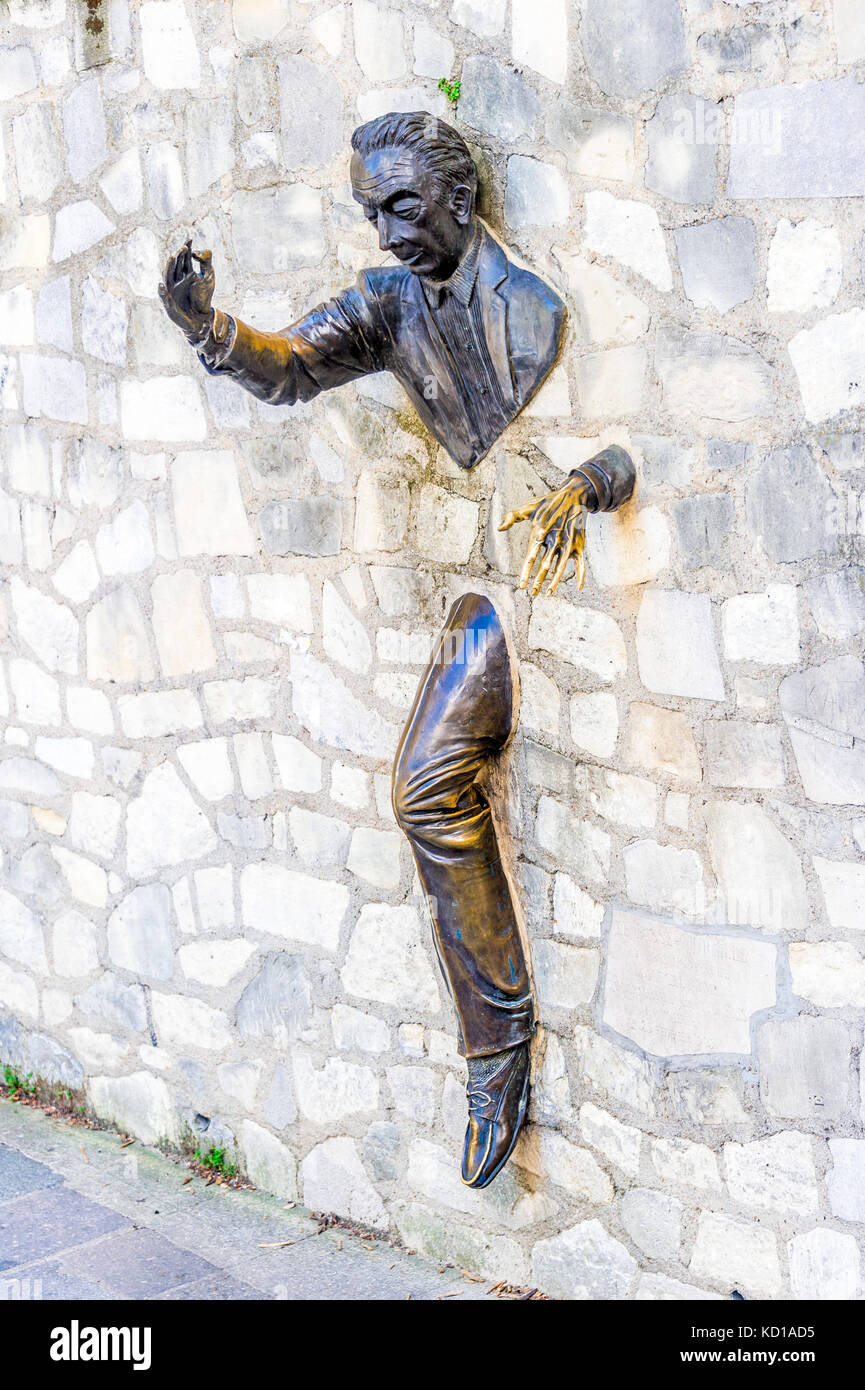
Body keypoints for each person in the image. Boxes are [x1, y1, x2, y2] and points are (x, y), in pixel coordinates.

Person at [159, 111, 635, 1188]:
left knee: (425, 788)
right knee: (424, 787)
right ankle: (496, 1047)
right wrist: (207, 327)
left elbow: (625, 437)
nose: (384, 234)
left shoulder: (536, 307)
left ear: (461, 198)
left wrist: (592, 476)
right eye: (372, 213)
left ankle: (497, 1050)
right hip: (485, 586)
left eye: (402, 207)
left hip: (544, 587)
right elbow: (290, 367)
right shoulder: (386, 304)